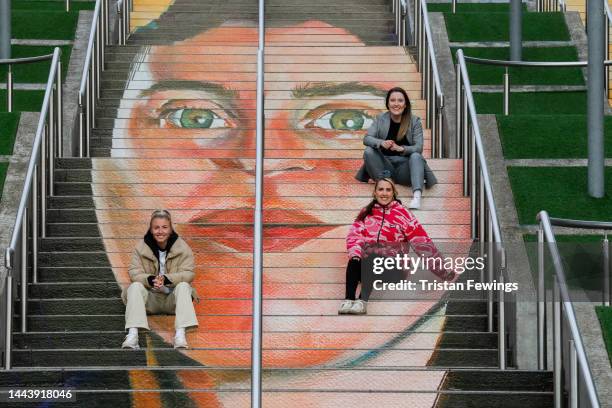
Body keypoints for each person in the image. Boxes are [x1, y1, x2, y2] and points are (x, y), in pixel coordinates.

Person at [339, 178, 457, 315]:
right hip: (368, 269)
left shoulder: (403, 214)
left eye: (388, 190)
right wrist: (356, 254)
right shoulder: (366, 212)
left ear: (393, 193)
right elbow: (354, 235)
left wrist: (442, 271)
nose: (384, 193)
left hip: (393, 269)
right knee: (354, 258)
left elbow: (422, 243)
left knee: (372, 257)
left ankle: (362, 301)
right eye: (381, 189)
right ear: (375, 193)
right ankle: (348, 300)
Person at [121, 209, 199, 349]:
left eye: (164, 227)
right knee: (134, 287)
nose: (160, 231)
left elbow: (189, 273)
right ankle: (132, 336)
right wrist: (150, 279)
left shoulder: (183, 248)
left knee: (184, 286)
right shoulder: (141, 248)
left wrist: (167, 279)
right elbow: (134, 272)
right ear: (151, 230)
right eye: (156, 227)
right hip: (150, 299)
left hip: (172, 300)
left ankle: (180, 336)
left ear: (170, 229)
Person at [355, 87, 438, 210]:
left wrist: (402, 149)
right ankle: (384, 191)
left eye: (400, 100)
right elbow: (367, 139)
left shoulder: (414, 121)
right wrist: (382, 143)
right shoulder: (380, 119)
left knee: (416, 156)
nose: (396, 104)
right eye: (392, 100)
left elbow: (418, 147)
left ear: (405, 105)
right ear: (388, 104)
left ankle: (416, 196)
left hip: (405, 169)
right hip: (384, 168)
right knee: (369, 151)